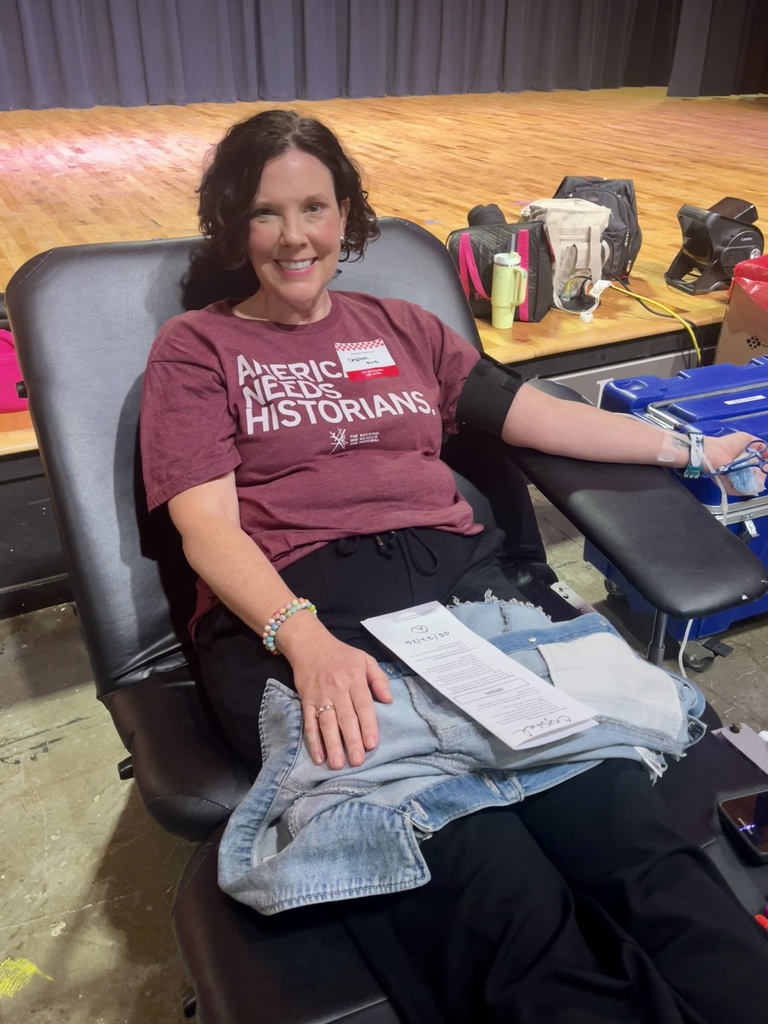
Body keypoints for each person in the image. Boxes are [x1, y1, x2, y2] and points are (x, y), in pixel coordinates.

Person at [140, 109, 768, 1024]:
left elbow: (537, 417)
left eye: (314, 206)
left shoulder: (400, 325)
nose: (293, 237)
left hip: (476, 612)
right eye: (265, 214)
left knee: (646, 859)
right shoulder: (199, 349)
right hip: (317, 624)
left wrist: (687, 450)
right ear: (235, 226)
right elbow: (209, 530)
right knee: (504, 911)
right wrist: (303, 641)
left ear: (345, 212)